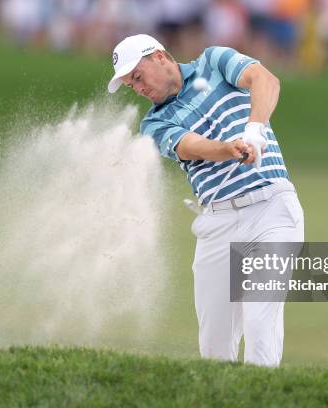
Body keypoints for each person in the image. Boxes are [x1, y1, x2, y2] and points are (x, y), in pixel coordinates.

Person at [107, 34, 304, 367]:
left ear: (159, 56)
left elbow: (265, 80)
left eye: (137, 77)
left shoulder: (214, 62)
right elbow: (190, 146)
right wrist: (227, 148)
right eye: (130, 85)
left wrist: (254, 129)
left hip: (272, 210)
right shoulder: (153, 123)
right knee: (214, 345)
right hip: (217, 224)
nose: (138, 88)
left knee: (260, 322)